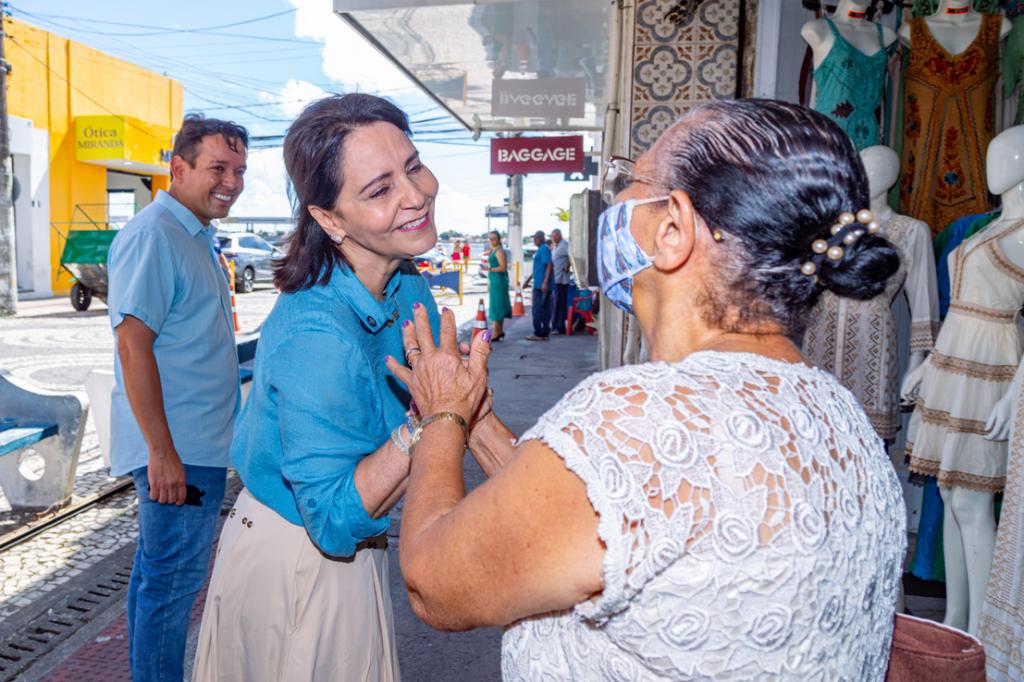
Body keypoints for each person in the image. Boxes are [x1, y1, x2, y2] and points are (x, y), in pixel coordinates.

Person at [385, 99, 907, 679]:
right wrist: (476, 417)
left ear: (673, 229)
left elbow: (432, 583)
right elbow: (596, 516)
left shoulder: (642, 419)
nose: (614, 202)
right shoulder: (836, 411)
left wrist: (440, 417)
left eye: (630, 182)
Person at [192, 94, 442, 681]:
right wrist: (425, 423)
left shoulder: (406, 285)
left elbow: (457, 405)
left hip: (352, 549)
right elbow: (330, 518)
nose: (415, 195)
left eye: (413, 166)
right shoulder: (316, 333)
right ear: (330, 220)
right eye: (379, 190)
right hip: (296, 562)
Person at [105, 113, 248, 682]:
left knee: (158, 583)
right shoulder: (155, 235)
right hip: (180, 451)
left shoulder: (192, 234)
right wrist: (161, 452)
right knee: (171, 589)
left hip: (198, 445)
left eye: (239, 169)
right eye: (218, 167)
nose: (232, 181)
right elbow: (132, 347)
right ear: (178, 167)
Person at [480, 230, 511, 341]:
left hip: (499, 281)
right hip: (495, 280)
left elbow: (503, 267)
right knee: (497, 305)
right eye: (490, 239)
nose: (492, 241)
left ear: (498, 239)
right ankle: (499, 331)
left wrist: (489, 268)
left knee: (497, 306)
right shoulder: (493, 250)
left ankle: (496, 332)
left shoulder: (499, 251)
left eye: (494, 238)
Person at [524, 230, 553, 340]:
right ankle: (544, 333)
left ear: (541, 238)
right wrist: (528, 280)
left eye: (535, 238)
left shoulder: (544, 248)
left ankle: (538, 333)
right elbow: (539, 268)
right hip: (539, 283)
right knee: (544, 309)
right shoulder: (541, 250)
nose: (534, 240)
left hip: (541, 285)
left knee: (537, 309)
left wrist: (545, 282)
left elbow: (549, 265)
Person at [549, 227, 570, 334]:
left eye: (554, 236)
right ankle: (555, 326)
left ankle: (559, 327)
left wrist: (567, 265)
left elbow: (572, 255)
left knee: (559, 305)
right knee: (555, 304)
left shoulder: (564, 245)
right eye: (552, 236)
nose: (553, 238)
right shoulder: (556, 247)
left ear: (559, 235)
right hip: (555, 280)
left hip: (561, 280)